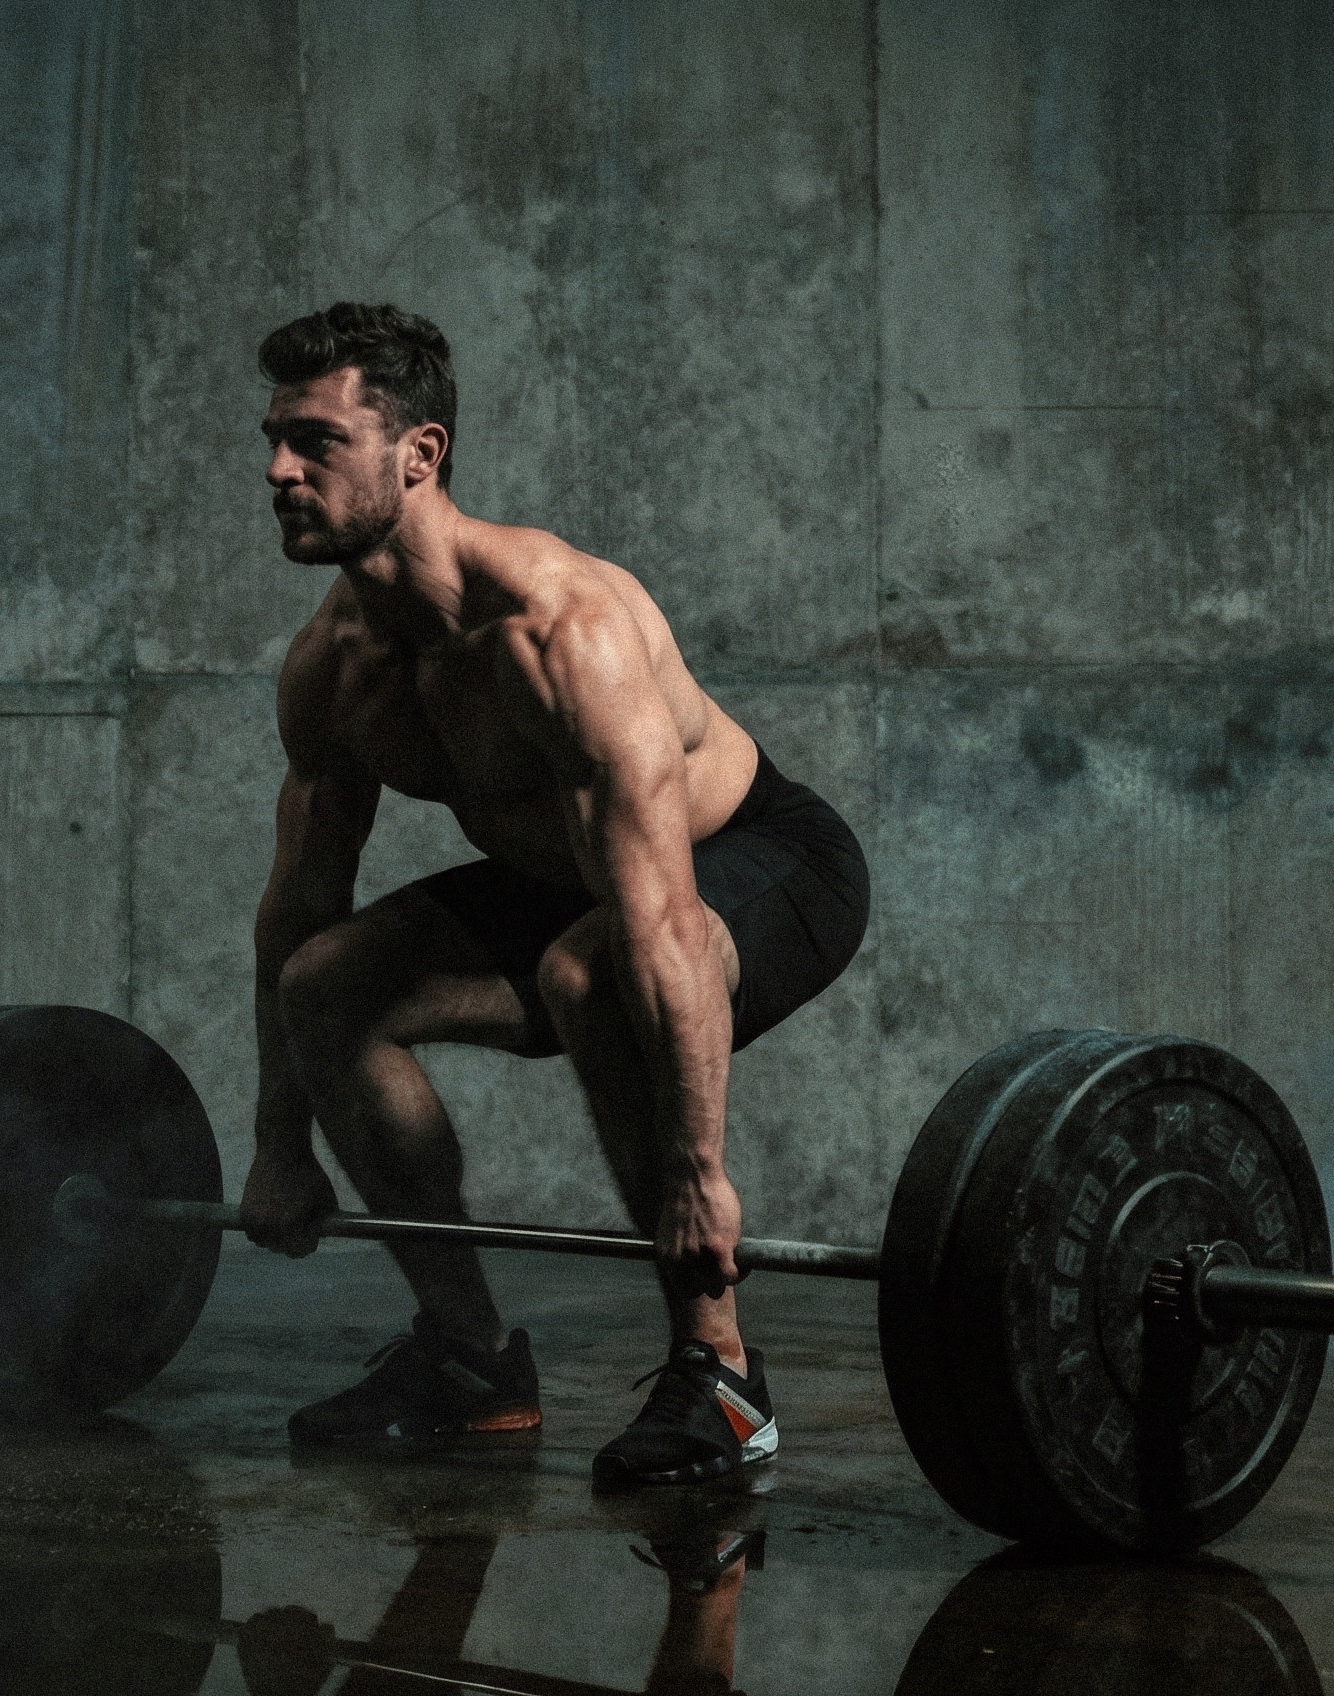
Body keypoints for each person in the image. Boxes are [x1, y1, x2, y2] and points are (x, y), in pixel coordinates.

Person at [240, 302, 869, 1486]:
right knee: (325, 986)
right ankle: (472, 1361)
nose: (278, 468)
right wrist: (280, 1140)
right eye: (274, 438)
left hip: (761, 859)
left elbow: (662, 921)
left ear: (418, 455)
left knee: (595, 969)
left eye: (316, 440)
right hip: (573, 885)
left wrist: (697, 1171)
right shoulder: (337, 668)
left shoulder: (561, 633)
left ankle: (721, 1377)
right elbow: (297, 909)